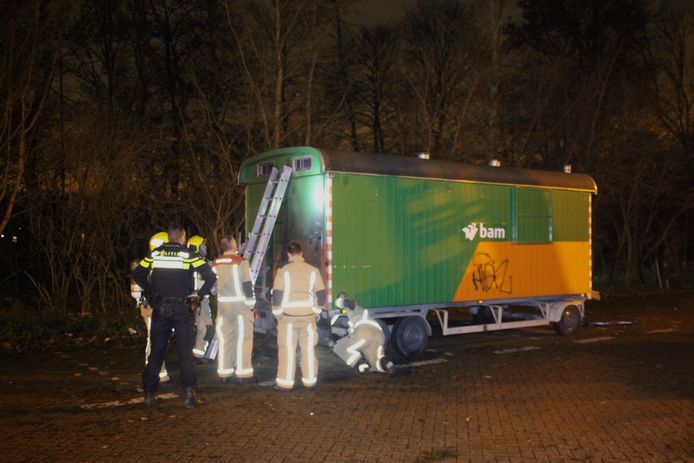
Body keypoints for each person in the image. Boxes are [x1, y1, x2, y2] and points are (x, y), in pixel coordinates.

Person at [132, 224, 216, 409]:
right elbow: (209, 276)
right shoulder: (188, 255)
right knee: (185, 352)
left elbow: (138, 274)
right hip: (182, 308)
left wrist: (153, 291)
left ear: (168, 237)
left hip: (160, 307)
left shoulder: (155, 255)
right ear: (182, 237)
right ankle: (189, 394)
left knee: (157, 351)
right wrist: (198, 294)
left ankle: (149, 394)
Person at [271, 241, 326, 391]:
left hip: (288, 319)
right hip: (308, 317)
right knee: (308, 350)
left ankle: (285, 383)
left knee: (287, 350)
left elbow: (277, 295)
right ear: (301, 253)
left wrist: (278, 315)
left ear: (288, 254)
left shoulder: (283, 271)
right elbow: (321, 295)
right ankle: (309, 381)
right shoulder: (313, 271)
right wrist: (316, 311)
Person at [212, 235, 256, 384]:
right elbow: (247, 285)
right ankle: (243, 374)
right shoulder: (241, 262)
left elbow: (210, 286)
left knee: (225, 340)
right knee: (244, 339)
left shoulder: (215, 263)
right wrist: (251, 304)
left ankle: (225, 373)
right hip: (241, 307)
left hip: (223, 307)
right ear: (233, 245)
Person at [130, 234, 170, 384]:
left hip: (157, 307)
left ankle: (159, 371)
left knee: (158, 339)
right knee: (154, 339)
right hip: (152, 308)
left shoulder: (150, 262)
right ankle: (155, 371)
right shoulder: (153, 263)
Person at [331, 293, 395, 374]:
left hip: (364, 334)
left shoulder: (352, 307)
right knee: (375, 362)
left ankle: (359, 363)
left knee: (339, 347)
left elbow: (350, 304)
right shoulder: (360, 311)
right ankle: (388, 364)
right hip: (379, 335)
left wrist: (339, 301)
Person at [187, 235, 214, 362]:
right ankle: (198, 355)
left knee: (208, 328)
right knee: (203, 328)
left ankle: (198, 353)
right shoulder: (191, 263)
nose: (206, 247)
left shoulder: (205, 262)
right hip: (195, 301)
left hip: (205, 301)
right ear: (196, 247)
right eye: (203, 245)